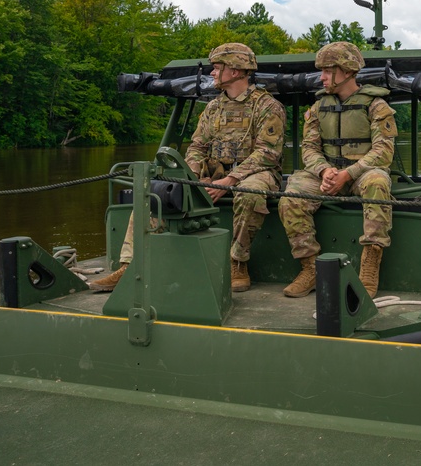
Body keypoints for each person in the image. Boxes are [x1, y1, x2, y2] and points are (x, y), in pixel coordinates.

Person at [90, 43, 286, 293]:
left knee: (250, 193)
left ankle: (238, 262)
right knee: (153, 196)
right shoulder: (214, 108)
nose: (213, 74)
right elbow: (197, 147)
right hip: (211, 176)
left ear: (236, 71)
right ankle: (130, 266)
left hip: (256, 175)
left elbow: (268, 153)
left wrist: (230, 181)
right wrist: (190, 175)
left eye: (217, 68)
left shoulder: (267, 106)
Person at [278, 41, 397, 298]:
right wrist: (324, 171)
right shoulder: (319, 107)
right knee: (291, 196)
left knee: (378, 183)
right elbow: (308, 148)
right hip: (327, 173)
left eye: (327, 70)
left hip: (361, 173)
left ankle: (369, 265)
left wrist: (348, 174)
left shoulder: (376, 106)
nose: (321, 77)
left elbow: (383, 151)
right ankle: (310, 267)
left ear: (346, 70)